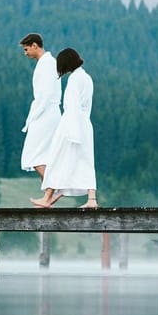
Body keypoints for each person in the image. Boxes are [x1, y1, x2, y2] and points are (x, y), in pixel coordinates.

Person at [30, 48, 98, 208]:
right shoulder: (86, 78)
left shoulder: (75, 79)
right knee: (86, 161)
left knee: (56, 159)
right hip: (85, 123)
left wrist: (72, 132)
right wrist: (81, 128)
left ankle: (47, 197)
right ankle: (92, 199)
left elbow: (72, 106)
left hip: (71, 123)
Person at [19, 33, 62, 183]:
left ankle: (53, 187)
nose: (25, 54)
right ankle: (50, 192)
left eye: (26, 49)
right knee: (42, 154)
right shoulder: (49, 62)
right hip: (48, 112)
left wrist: (35, 115)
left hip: (45, 113)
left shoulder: (47, 64)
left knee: (32, 155)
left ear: (34, 46)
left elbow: (47, 93)